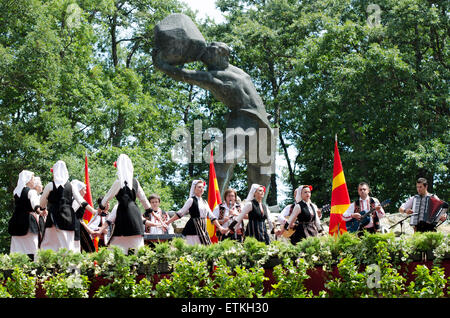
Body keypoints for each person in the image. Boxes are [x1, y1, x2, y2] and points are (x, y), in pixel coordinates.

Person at [154, 41, 274, 196]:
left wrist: (161, 65)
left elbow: (185, 75)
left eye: (210, 51)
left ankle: (215, 204)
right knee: (260, 169)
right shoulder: (240, 73)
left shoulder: (217, 77)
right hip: (263, 121)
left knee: (223, 162)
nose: (205, 54)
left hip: (245, 119)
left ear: (222, 55)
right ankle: (258, 206)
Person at [94, 154, 154, 254]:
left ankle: (115, 263)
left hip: (123, 212)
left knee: (117, 243)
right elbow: (143, 199)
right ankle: (135, 264)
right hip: (134, 213)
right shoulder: (135, 182)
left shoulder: (118, 183)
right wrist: (151, 211)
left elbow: (107, 197)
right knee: (136, 243)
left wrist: (100, 208)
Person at [40, 161, 98, 252]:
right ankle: (69, 263)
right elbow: (81, 201)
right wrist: (93, 211)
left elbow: (42, 202)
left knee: (49, 243)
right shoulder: (71, 185)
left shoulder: (50, 185)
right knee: (68, 242)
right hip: (68, 217)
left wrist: (43, 209)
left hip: (53, 217)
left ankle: (48, 264)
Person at [164, 179, 228, 245]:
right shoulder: (191, 200)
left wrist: (220, 227)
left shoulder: (204, 202)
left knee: (206, 247)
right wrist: (168, 222)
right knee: (193, 249)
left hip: (202, 228)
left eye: (203, 187)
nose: (201, 189)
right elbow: (180, 213)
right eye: (199, 187)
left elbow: (212, 217)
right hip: (193, 228)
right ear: (194, 189)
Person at [8, 170, 45, 260]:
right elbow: (35, 204)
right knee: (32, 247)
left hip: (16, 221)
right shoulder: (31, 192)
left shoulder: (16, 192)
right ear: (28, 180)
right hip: (28, 222)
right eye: (32, 178)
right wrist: (39, 211)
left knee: (17, 248)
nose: (33, 181)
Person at [71, 180, 97, 252]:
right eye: (84, 190)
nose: (85, 192)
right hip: (77, 227)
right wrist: (89, 230)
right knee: (90, 249)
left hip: (78, 226)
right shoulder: (76, 201)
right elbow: (78, 219)